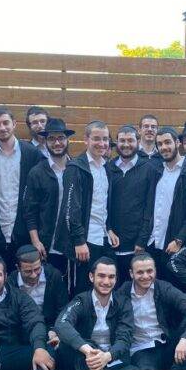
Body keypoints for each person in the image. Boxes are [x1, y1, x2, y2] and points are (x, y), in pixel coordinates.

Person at [55, 257, 182, 370]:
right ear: (91, 277)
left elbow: (124, 338)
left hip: (109, 362)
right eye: (101, 276)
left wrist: (107, 356)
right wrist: (88, 351)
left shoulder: (123, 303)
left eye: (111, 277)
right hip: (85, 364)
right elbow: (62, 324)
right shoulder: (81, 300)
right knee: (66, 347)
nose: (106, 281)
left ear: (116, 279)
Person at [115, 253, 186, 370]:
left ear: (155, 271)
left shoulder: (163, 288)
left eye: (149, 271)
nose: (146, 276)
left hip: (167, 345)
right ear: (131, 274)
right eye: (140, 272)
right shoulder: (123, 293)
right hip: (142, 350)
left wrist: (185, 339)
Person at [55, 121, 118, 293]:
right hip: (84, 241)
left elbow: (103, 204)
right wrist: (79, 241)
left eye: (105, 139)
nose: (102, 143)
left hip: (103, 238)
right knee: (81, 289)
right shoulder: (75, 168)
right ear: (86, 140)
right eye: (96, 139)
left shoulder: (106, 168)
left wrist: (108, 228)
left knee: (101, 288)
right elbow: (70, 208)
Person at [0, 107, 45, 270]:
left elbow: (39, 196)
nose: (2, 128)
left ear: (14, 124)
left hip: (25, 231)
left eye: (5, 123)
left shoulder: (33, 154)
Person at [145, 126, 186, 280]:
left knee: (172, 289)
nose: (164, 147)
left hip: (173, 246)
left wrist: (179, 240)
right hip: (152, 244)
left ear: (177, 143)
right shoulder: (157, 172)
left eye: (167, 142)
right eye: (160, 144)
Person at [24, 118, 75, 289]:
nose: (57, 143)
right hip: (47, 243)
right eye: (52, 139)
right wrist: (36, 241)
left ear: (67, 140)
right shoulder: (37, 172)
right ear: (45, 142)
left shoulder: (77, 168)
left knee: (72, 287)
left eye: (61, 138)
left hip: (73, 243)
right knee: (50, 288)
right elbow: (30, 211)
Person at [106, 125, 157, 281]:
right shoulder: (108, 168)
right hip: (111, 242)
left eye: (130, 140)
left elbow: (151, 207)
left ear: (138, 142)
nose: (126, 144)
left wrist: (142, 239)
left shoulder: (149, 169)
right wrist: (108, 229)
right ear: (116, 142)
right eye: (122, 140)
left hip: (137, 245)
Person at [6, 245, 68, 354]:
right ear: (18, 268)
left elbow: (63, 309)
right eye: (28, 271)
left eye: (37, 269)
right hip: (22, 332)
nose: (34, 275)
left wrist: (55, 330)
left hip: (50, 329)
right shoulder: (10, 283)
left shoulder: (54, 276)